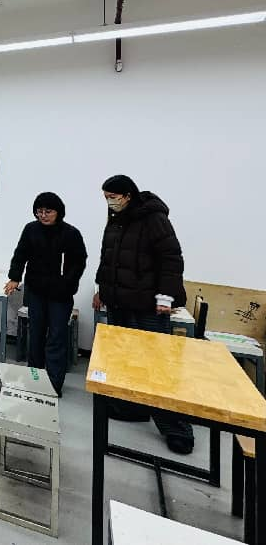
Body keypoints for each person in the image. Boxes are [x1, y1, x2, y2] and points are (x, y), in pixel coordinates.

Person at [92, 174, 193, 455]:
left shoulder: (154, 218)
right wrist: (101, 289)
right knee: (124, 361)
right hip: (119, 303)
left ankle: (176, 428)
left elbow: (171, 259)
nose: (109, 202)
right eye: (106, 198)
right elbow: (108, 257)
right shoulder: (116, 219)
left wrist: (165, 296)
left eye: (113, 197)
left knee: (157, 367)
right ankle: (132, 408)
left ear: (128, 195)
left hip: (148, 306)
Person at [4, 192, 87, 396]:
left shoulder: (71, 234)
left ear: (58, 212)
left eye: (48, 211)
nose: (43, 215)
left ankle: (53, 385)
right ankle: (35, 379)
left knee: (57, 337)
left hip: (60, 295)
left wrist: (67, 284)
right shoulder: (31, 229)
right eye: (39, 211)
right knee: (36, 336)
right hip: (36, 292)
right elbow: (20, 254)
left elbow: (79, 262)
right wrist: (14, 277)